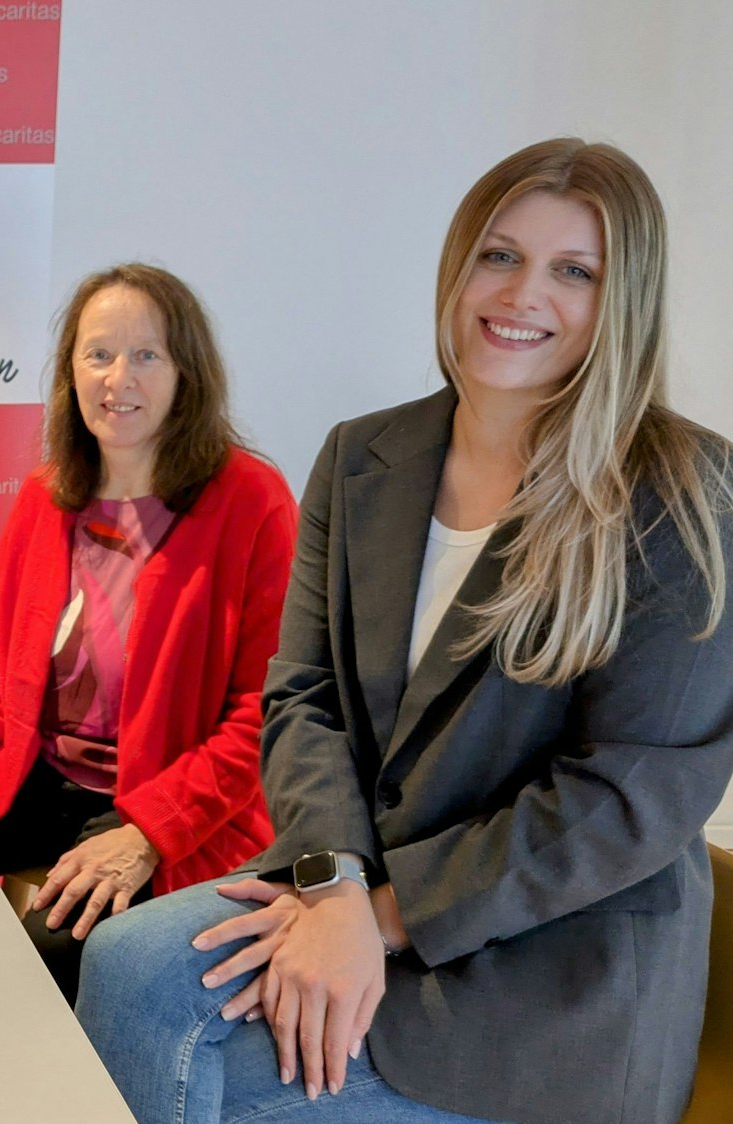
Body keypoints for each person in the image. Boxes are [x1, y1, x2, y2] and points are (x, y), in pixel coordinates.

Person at [77, 138, 733, 1124]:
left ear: (621, 299)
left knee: (220, 1094)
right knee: (122, 958)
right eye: (499, 255)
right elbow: (304, 697)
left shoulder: (685, 493)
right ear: (458, 263)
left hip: (543, 970)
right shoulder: (362, 455)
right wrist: (333, 882)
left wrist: (384, 917)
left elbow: (628, 796)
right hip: (351, 878)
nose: (520, 295)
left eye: (574, 271)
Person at [0, 264, 295, 1003]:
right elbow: (0, 660)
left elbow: (266, 718)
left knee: (35, 964)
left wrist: (147, 835)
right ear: (70, 371)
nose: (117, 377)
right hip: (40, 775)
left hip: (162, 800)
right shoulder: (45, 494)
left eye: (146, 355)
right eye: (98, 354)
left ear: (187, 372)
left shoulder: (252, 502)